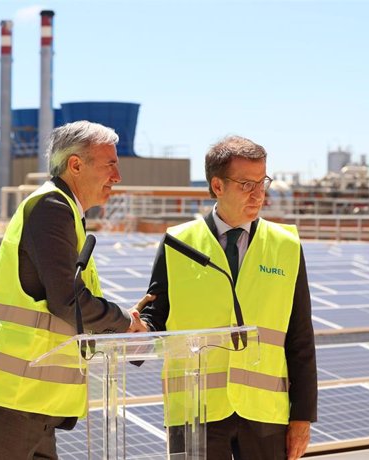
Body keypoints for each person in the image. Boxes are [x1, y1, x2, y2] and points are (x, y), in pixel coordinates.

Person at [0, 120, 153, 459]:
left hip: (31, 404)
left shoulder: (66, 213)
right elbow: (68, 301)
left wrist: (123, 328)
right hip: (7, 403)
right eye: (110, 165)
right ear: (75, 164)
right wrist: (124, 323)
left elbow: (70, 307)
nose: (117, 177)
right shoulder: (51, 207)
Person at [139, 135, 317, 460]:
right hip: (195, 411)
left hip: (264, 413)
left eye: (263, 182)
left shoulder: (286, 245)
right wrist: (137, 331)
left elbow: (300, 337)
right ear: (217, 186)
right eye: (246, 184)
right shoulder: (178, 244)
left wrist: (302, 417)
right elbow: (154, 318)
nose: (259, 194)